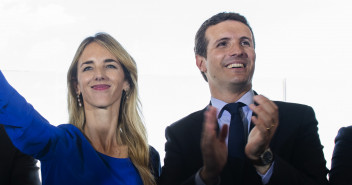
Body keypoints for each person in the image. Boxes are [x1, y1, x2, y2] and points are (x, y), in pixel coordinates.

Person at [159, 12, 328, 185]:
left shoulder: (298, 118)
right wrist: (207, 176)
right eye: (223, 44)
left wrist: (263, 159)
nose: (238, 51)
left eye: (245, 43)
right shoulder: (180, 133)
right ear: (201, 62)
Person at [0, 33, 160, 185]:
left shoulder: (148, 158)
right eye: (88, 68)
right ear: (76, 86)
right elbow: (11, 105)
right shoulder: (58, 146)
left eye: (110, 65)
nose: (99, 74)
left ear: (127, 82)